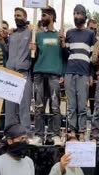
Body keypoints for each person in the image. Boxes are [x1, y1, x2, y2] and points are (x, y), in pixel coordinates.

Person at [60, 4, 96, 141]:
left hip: (84, 73)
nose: (76, 16)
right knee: (72, 106)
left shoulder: (90, 34)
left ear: (84, 16)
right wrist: (63, 44)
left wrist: (91, 74)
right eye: (75, 13)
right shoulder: (69, 33)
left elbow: (92, 58)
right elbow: (65, 55)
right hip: (70, 72)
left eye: (79, 13)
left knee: (82, 105)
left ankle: (81, 131)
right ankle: (72, 131)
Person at [31, 6, 64, 146]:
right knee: (38, 106)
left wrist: (64, 43)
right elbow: (34, 57)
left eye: (44, 15)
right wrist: (32, 50)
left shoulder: (60, 36)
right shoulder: (37, 36)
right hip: (39, 73)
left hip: (54, 75)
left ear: (52, 16)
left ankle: (54, 135)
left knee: (55, 106)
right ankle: (39, 136)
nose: (42, 18)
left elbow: (64, 56)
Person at [3, 7, 33, 140]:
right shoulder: (12, 35)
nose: (16, 17)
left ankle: (25, 134)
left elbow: (35, 27)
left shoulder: (31, 32)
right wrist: (2, 39)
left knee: (24, 106)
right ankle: (9, 134)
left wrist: (28, 25)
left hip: (23, 73)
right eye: (15, 15)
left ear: (25, 17)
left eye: (19, 15)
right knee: (10, 107)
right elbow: (6, 51)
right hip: (10, 73)